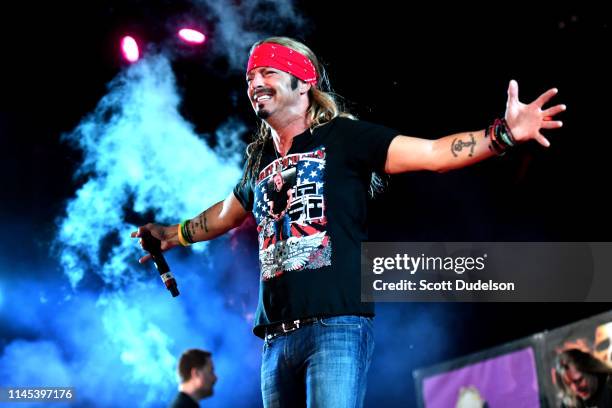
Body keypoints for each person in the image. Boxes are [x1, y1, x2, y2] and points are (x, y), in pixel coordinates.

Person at [132, 36, 565, 407]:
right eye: (249, 78)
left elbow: (433, 155)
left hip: (335, 327)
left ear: (302, 83)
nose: (254, 84)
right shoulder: (259, 164)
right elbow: (226, 214)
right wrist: (171, 235)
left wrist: (503, 134)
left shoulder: (345, 138)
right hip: (275, 339)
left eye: (266, 72)